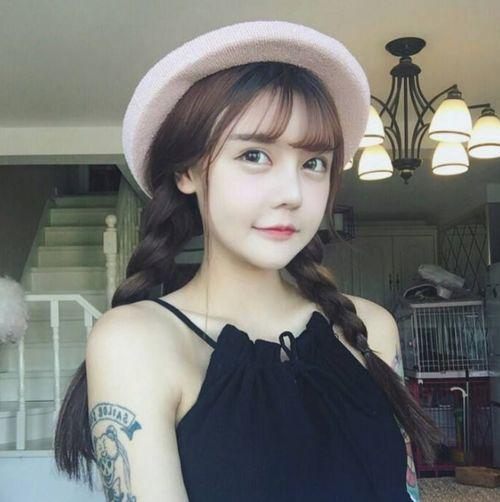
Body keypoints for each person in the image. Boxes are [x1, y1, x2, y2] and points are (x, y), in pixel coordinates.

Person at [54, 20, 441, 501]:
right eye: (255, 155)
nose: (292, 193)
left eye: (313, 163)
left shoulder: (372, 327)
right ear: (187, 171)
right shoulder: (137, 342)